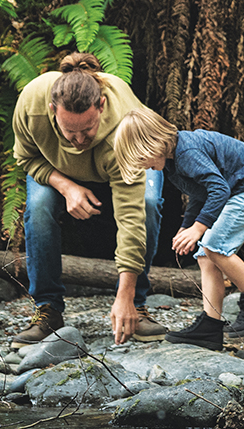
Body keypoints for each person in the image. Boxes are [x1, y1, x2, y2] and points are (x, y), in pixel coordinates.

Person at [10, 52, 169, 344]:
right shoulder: (32, 103)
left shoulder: (124, 128)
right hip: (57, 168)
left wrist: (124, 296)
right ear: (52, 110)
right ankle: (48, 309)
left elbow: (131, 217)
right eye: (70, 131)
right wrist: (66, 186)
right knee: (39, 206)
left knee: (147, 203)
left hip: (123, 159)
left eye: (88, 129)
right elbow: (25, 158)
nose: (80, 140)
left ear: (102, 105)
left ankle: (137, 304)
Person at [113, 109, 244, 350]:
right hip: (237, 191)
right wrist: (187, 228)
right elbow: (200, 194)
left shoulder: (187, 153)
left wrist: (198, 229)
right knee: (204, 256)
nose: (147, 168)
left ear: (152, 145)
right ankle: (210, 326)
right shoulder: (172, 163)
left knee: (215, 248)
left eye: (142, 160)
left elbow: (219, 189)